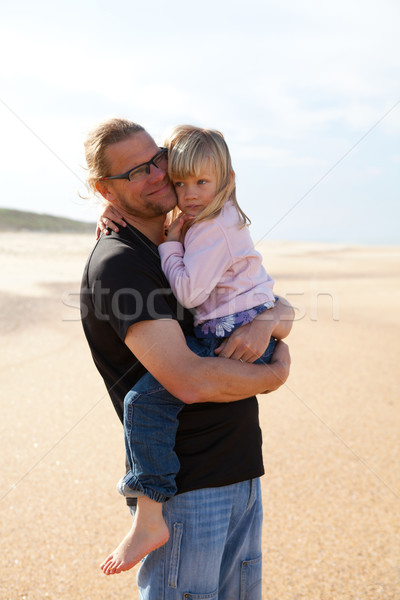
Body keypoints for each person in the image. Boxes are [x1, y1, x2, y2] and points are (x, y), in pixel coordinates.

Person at [80, 117, 293, 599]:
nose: (158, 174)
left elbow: (255, 299)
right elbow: (190, 380)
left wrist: (272, 318)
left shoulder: (194, 234)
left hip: (240, 474)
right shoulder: (120, 263)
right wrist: (274, 374)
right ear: (104, 189)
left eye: (158, 159)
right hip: (187, 492)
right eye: (136, 172)